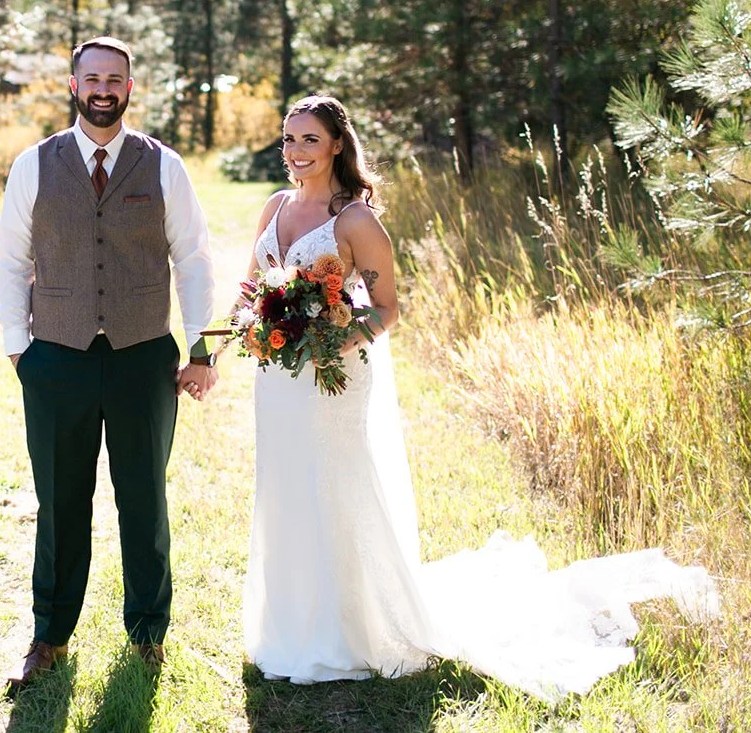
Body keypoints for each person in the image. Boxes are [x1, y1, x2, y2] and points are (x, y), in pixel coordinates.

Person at [241, 94, 718, 700]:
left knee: (332, 487)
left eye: (309, 139)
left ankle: (347, 632)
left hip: (335, 378)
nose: (295, 150)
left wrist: (336, 337)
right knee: (284, 489)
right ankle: (287, 624)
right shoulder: (275, 206)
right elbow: (252, 287)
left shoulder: (356, 221)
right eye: (288, 139)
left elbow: (387, 310)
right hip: (278, 377)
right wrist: (248, 333)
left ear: (337, 144)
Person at [0, 37, 219, 694]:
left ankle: (148, 634)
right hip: (55, 357)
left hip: (143, 357)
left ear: (129, 87)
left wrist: (203, 346)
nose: (102, 88)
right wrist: (18, 346)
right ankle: (50, 636)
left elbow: (196, 258)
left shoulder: (163, 165)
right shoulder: (33, 165)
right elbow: (11, 260)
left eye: (113, 78)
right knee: (60, 501)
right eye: (91, 77)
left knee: (143, 498)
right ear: (73, 85)